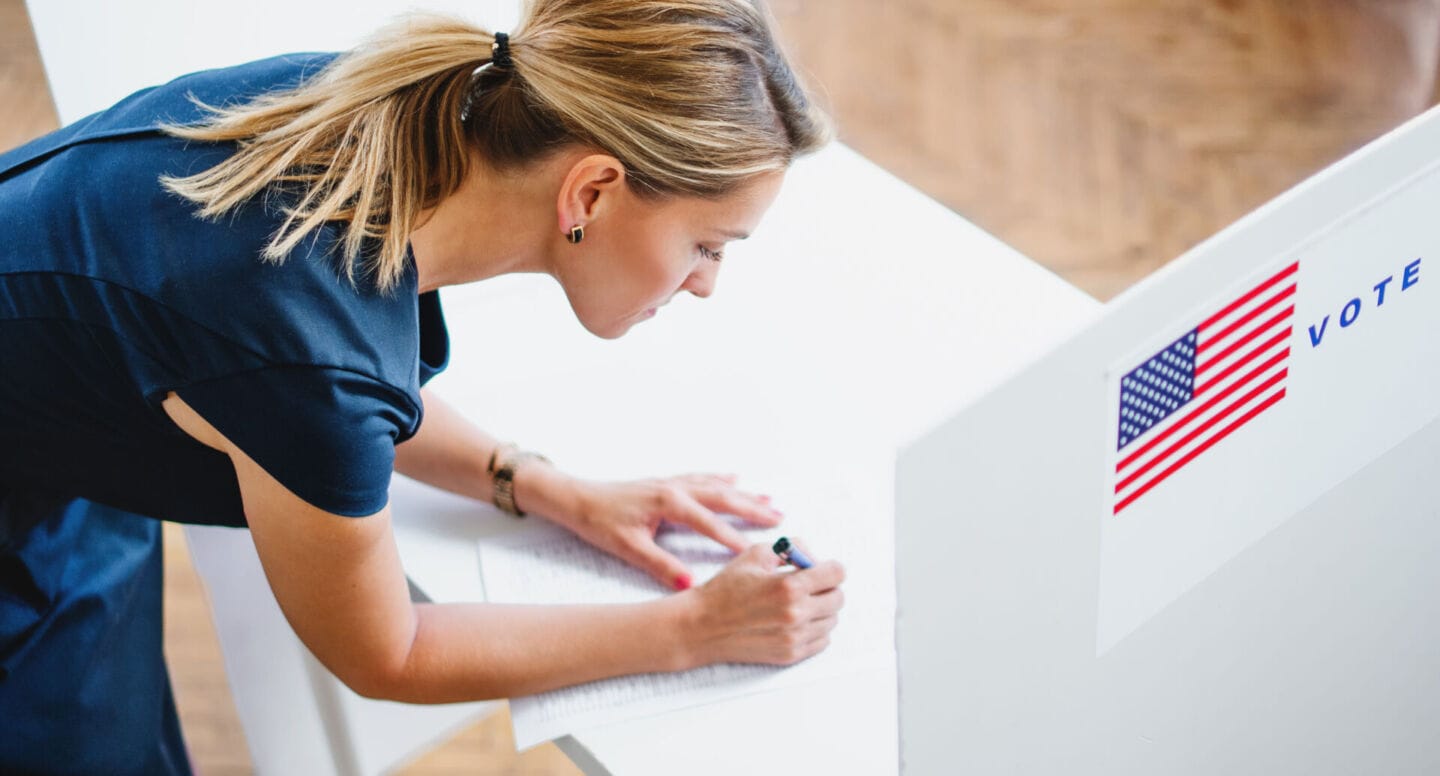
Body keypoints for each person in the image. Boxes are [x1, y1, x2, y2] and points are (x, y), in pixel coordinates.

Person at [0, 1, 847, 772]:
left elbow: (324, 383)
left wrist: (545, 488)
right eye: (709, 244)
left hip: (52, 419)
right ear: (591, 189)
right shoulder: (305, 347)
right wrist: (694, 630)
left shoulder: (391, 109)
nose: (706, 283)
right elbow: (386, 651)